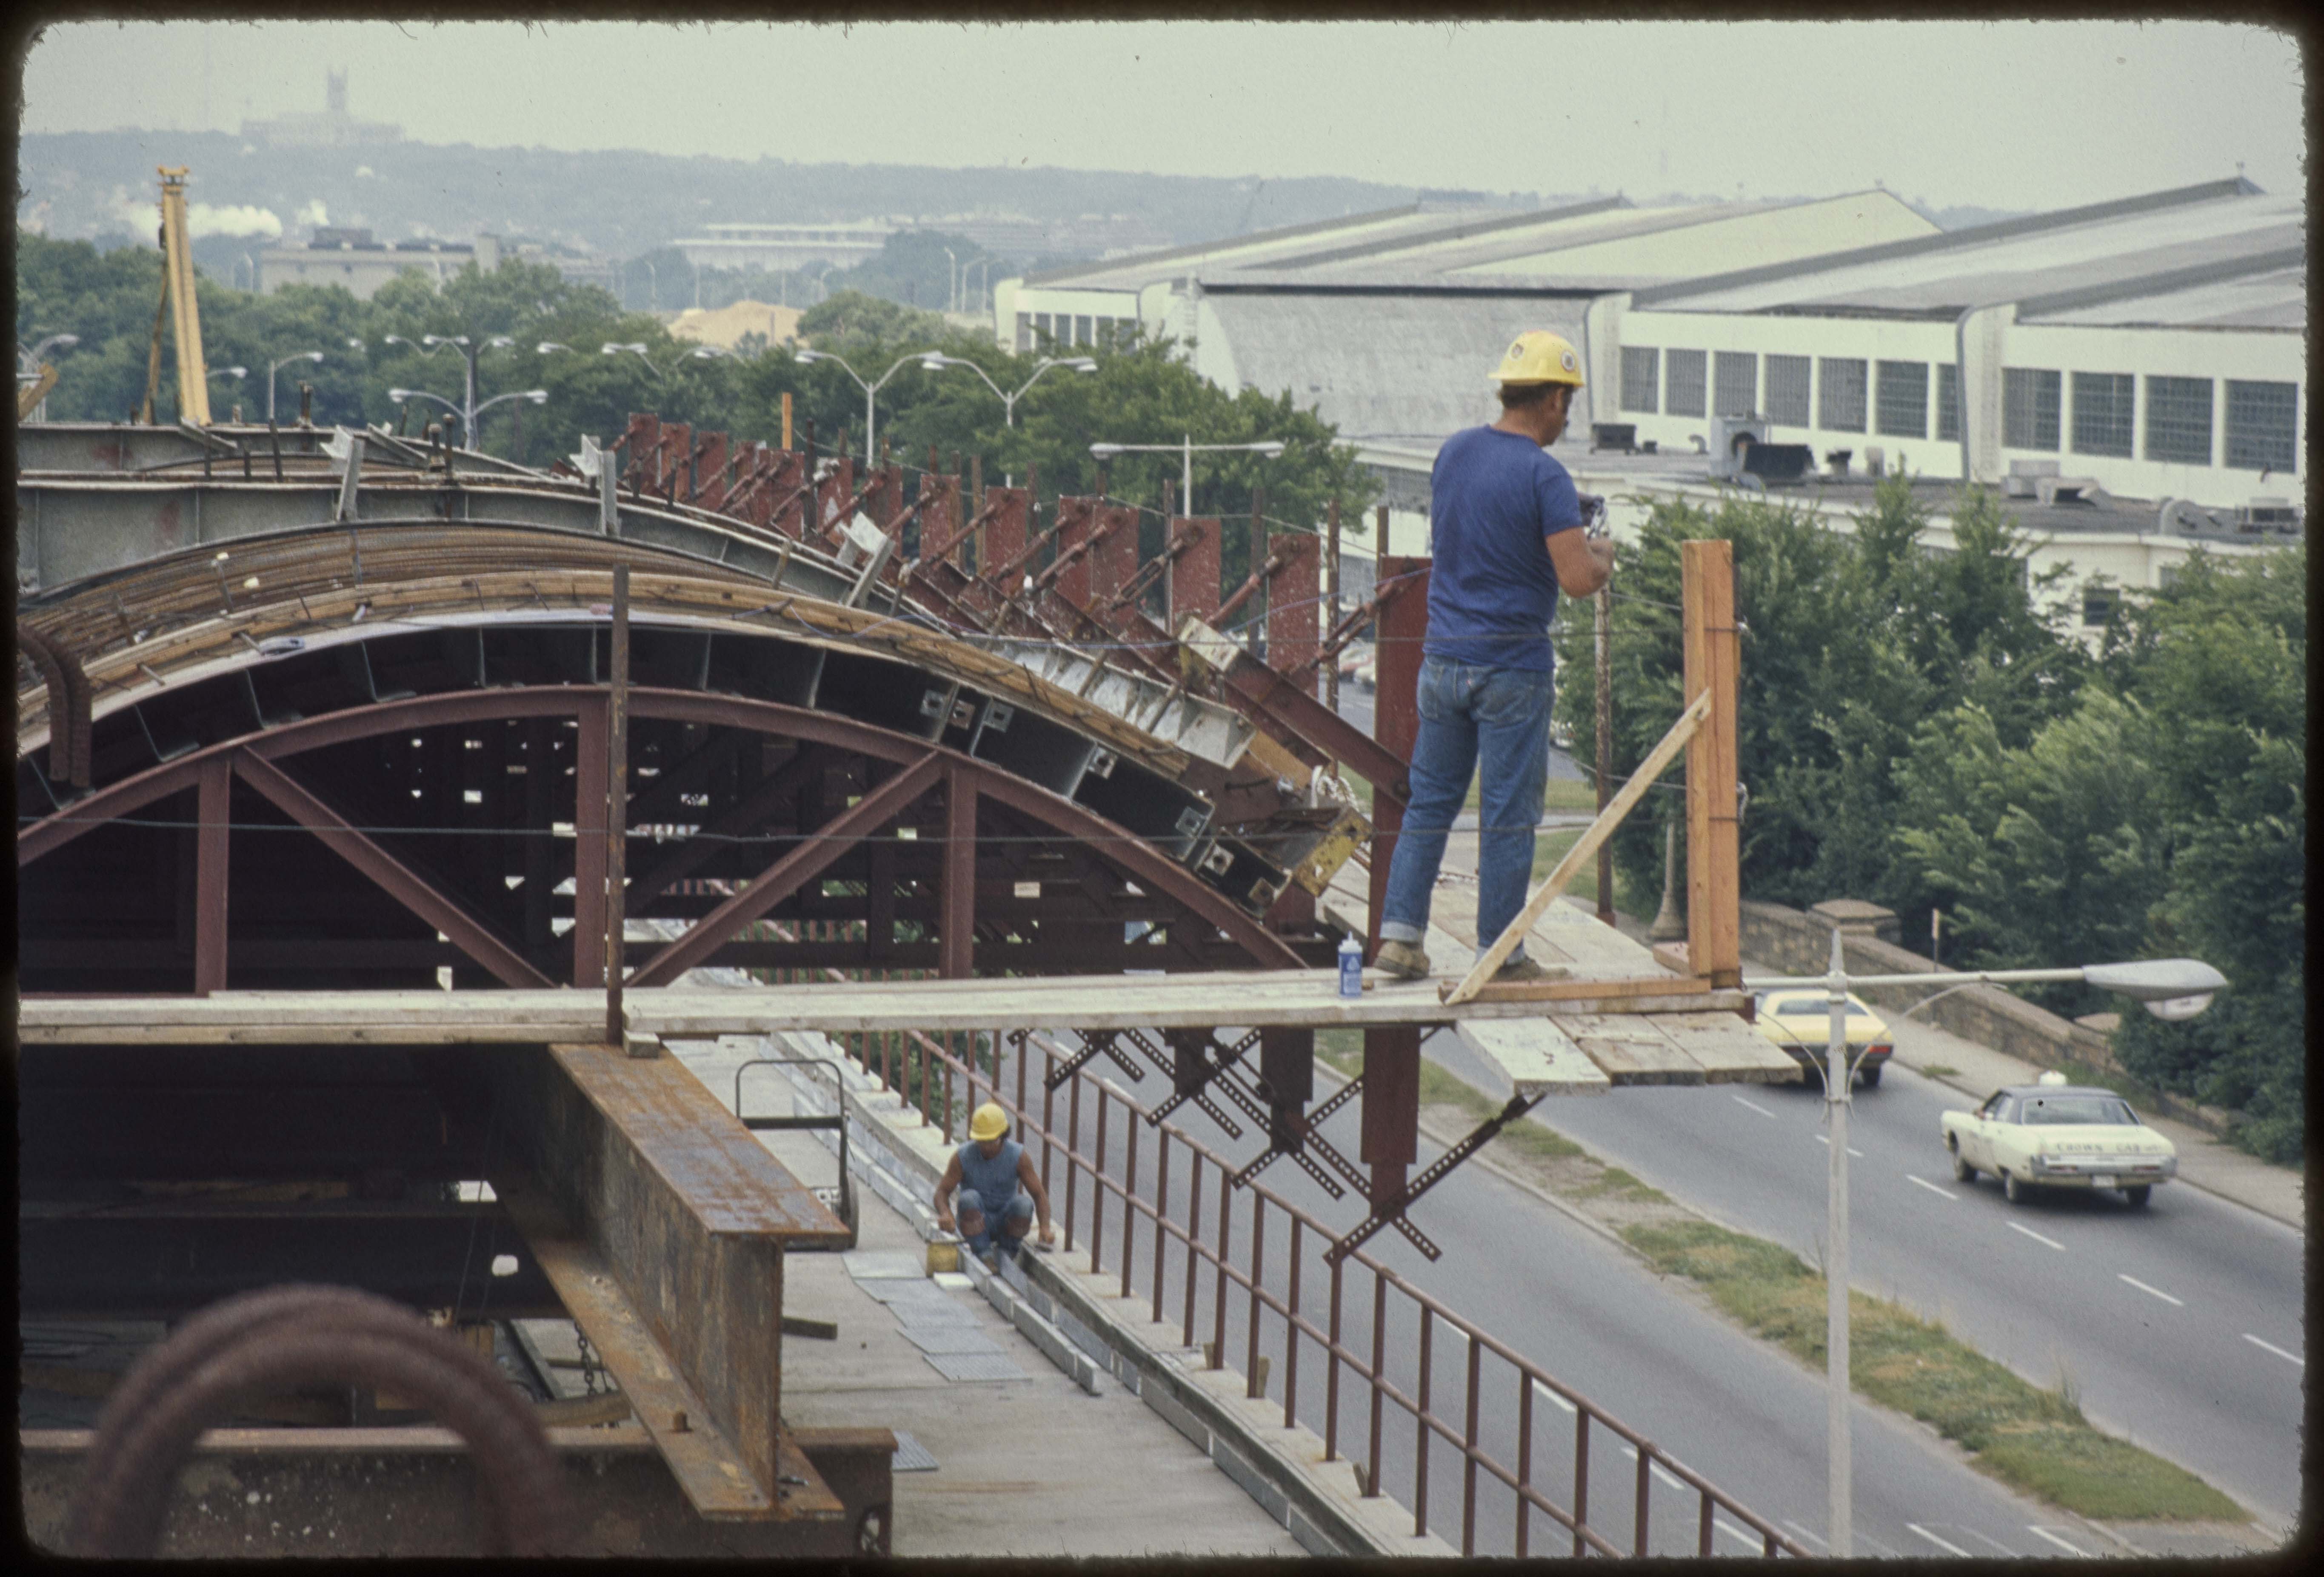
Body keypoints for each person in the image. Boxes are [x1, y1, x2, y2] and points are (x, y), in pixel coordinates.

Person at [1375, 329, 1616, 982]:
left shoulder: (1454, 453)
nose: (1567, 415)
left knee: (1430, 802)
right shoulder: (1544, 474)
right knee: (1508, 815)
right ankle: (1501, 952)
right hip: (1511, 666)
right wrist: (1603, 559)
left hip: (1443, 658)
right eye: (1567, 401)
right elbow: (1573, 578)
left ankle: (1399, 939)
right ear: (1554, 399)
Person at [934, 1102, 1056, 1267]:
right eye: (981, 1142)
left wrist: (1045, 1228)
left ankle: (1007, 1253)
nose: (986, 1147)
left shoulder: (1018, 1157)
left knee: (1023, 1205)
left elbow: (1039, 1195)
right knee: (968, 1199)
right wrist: (945, 1212)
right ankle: (983, 1254)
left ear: (1003, 1136)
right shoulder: (962, 1157)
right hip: (976, 1220)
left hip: (1005, 1220)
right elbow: (942, 1192)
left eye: (991, 1142)